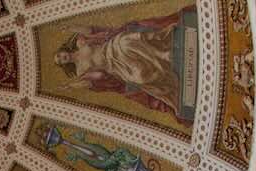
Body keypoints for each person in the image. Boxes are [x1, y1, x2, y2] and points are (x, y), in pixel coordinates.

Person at [52, 7, 193, 121]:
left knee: (128, 42)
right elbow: (97, 78)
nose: (62, 58)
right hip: (115, 67)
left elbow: (92, 30)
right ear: (64, 64)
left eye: (59, 55)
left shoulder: (80, 42)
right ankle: (170, 75)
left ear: (62, 50)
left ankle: (164, 54)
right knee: (139, 77)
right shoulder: (80, 71)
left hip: (112, 47)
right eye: (60, 61)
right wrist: (72, 85)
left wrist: (71, 28)